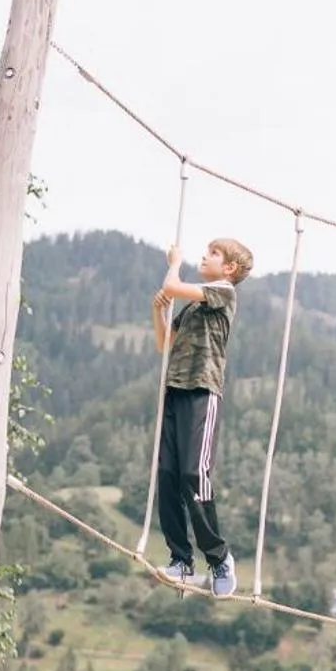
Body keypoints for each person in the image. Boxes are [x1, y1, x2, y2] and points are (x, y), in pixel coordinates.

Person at [149, 238, 254, 597]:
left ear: (229, 268)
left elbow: (172, 285)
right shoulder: (194, 306)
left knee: (194, 474)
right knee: (168, 475)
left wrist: (174, 263)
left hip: (202, 391)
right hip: (176, 389)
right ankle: (181, 559)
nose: (204, 256)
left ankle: (219, 557)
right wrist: (159, 313)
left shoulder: (223, 292)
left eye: (213, 254)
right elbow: (165, 343)